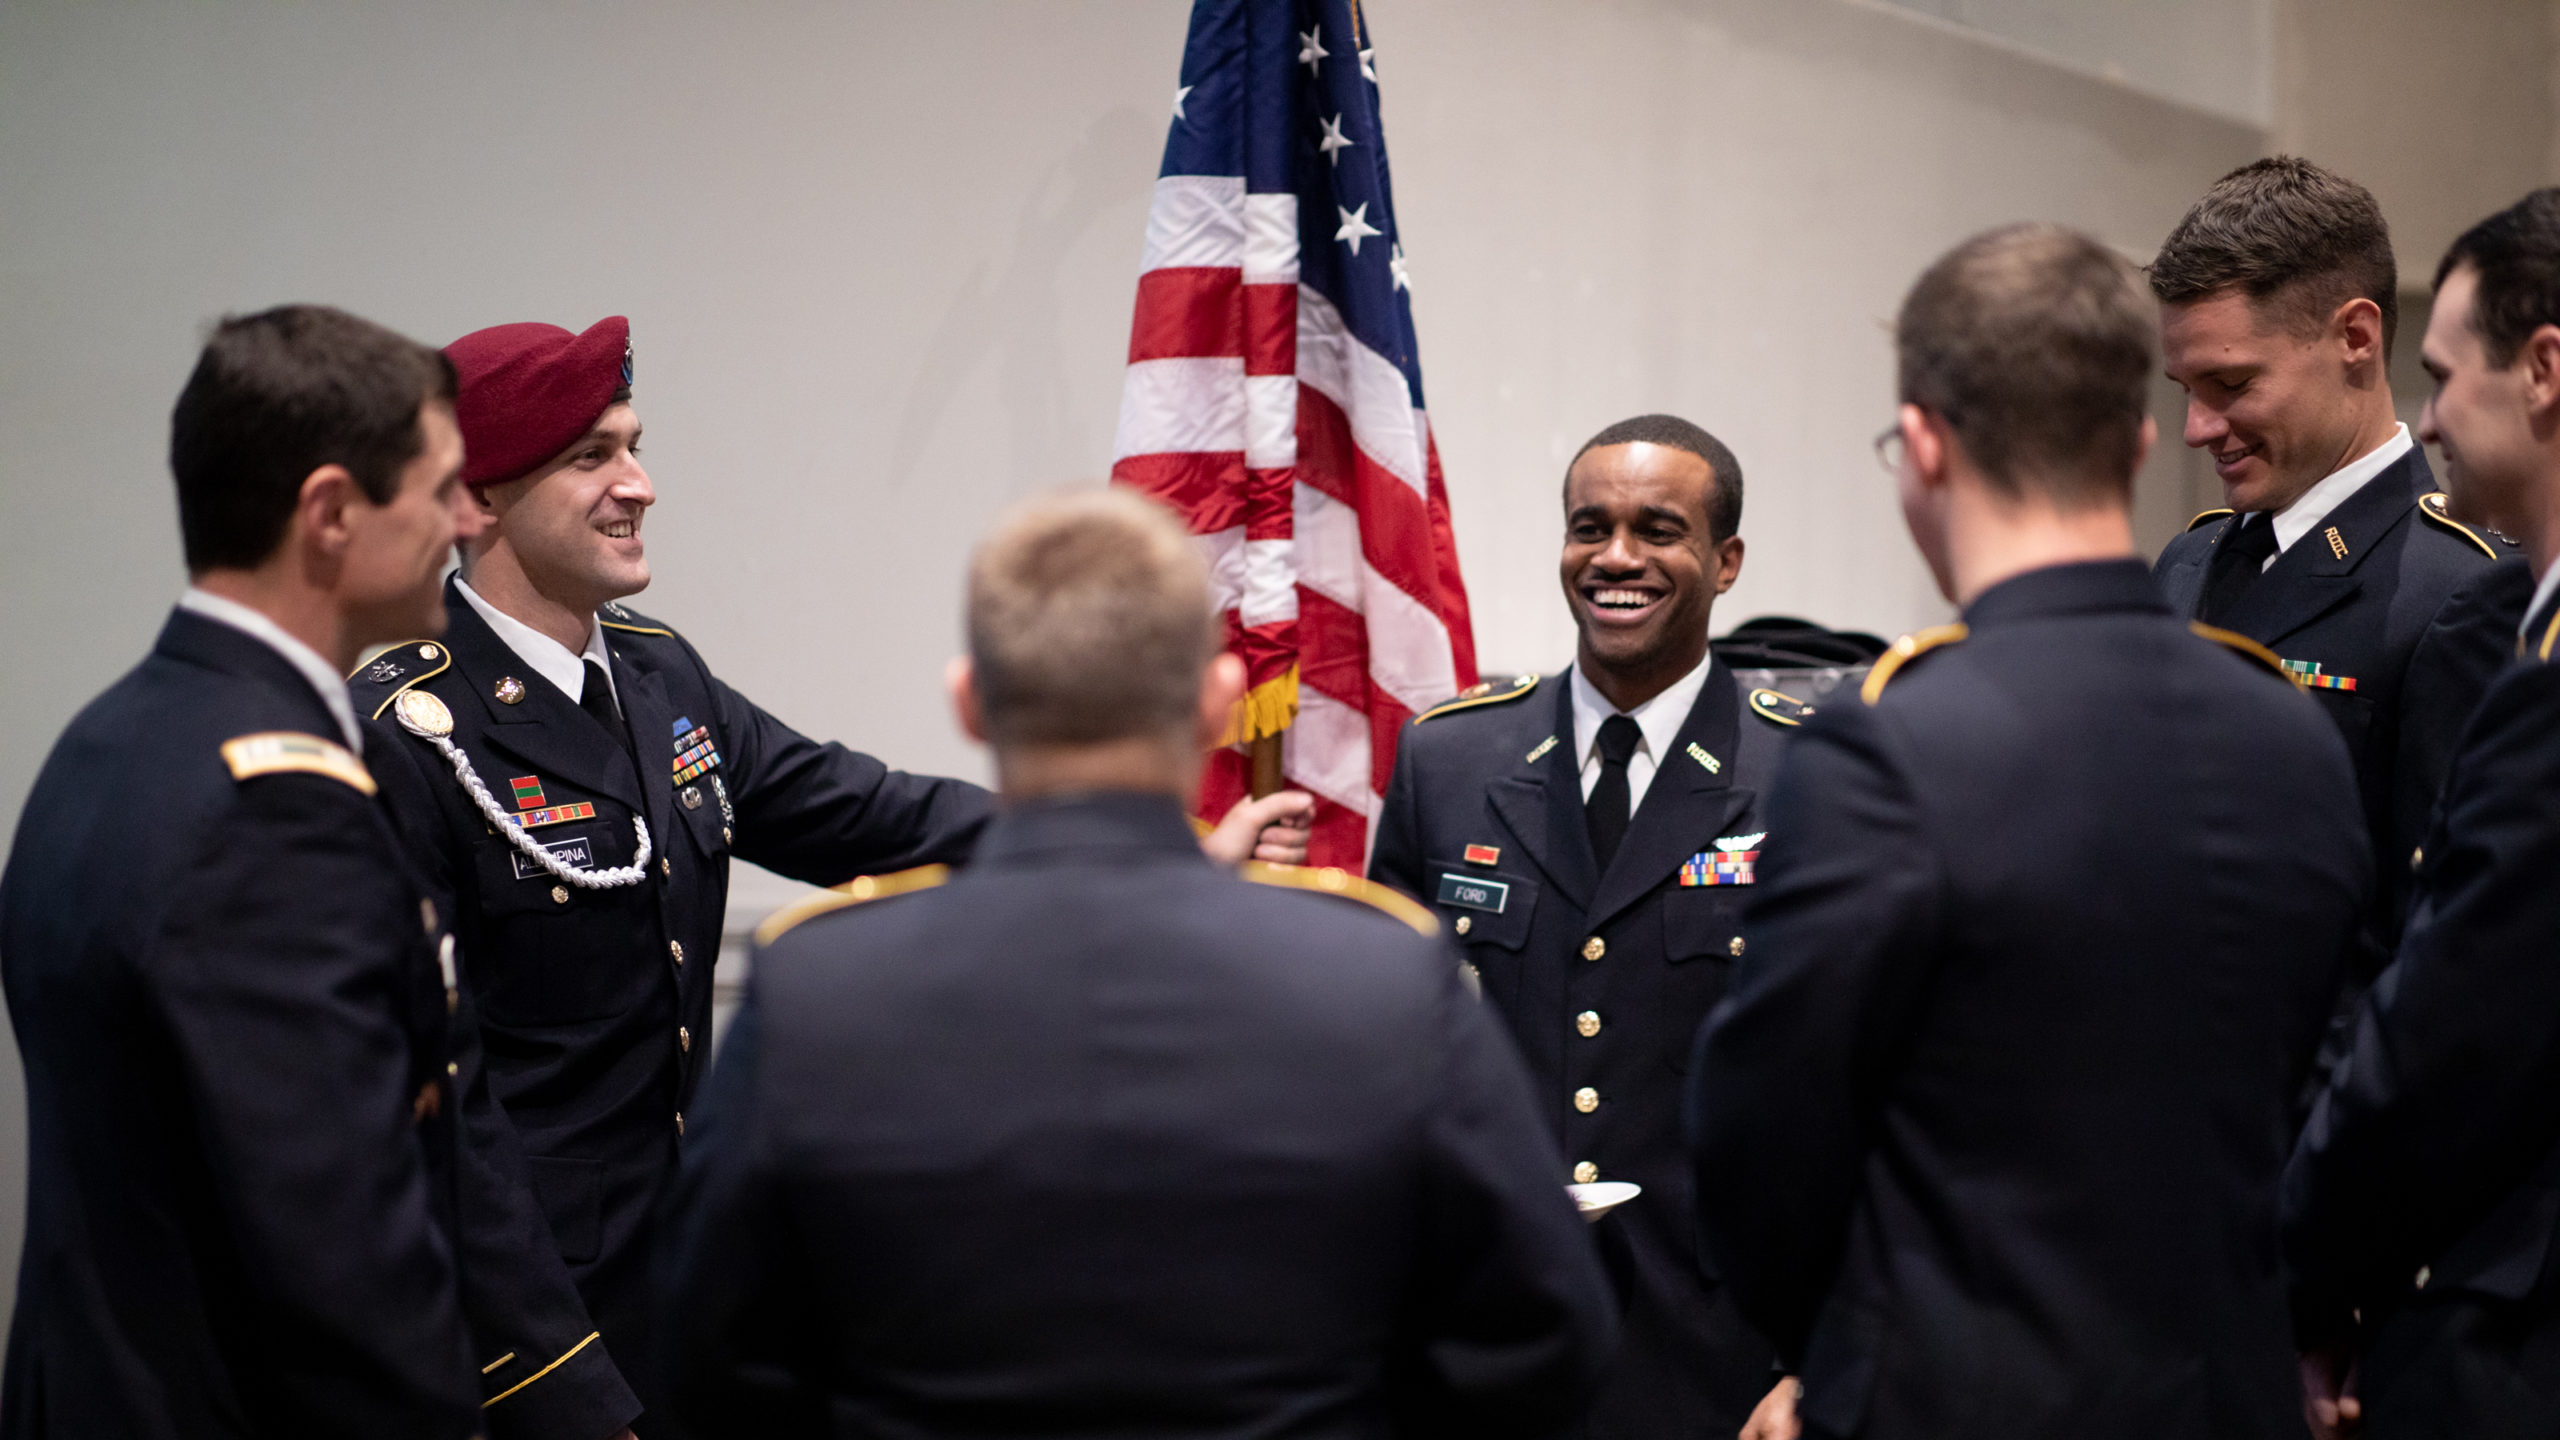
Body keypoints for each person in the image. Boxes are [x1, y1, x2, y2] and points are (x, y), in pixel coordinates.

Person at [354, 316, 1311, 1431]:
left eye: (633, 443)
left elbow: (868, 812)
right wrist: (553, 1379)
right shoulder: (413, 734)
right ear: (477, 503)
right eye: (591, 457)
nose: (641, 484)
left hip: (675, 1291)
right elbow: (436, 1104)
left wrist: (1139, 843)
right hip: (525, 1331)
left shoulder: (659, 675)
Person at [652, 488, 1616, 1438]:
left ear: (971, 704)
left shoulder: (822, 989)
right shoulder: (1382, 976)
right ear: (1218, 705)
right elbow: (1542, 1337)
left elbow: (709, 1361)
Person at [1689, 224, 2371, 1440]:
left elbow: (1761, 1141)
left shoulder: (1886, 747)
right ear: (2138, 440)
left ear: (1925, 449)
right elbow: (2328, 1089)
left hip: (1960, 1394)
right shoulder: (2289, 734)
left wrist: (1834, 1347)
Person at [0, 305, 634, 1439]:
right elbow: (337, 1240)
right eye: (440, 488)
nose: (461, 519)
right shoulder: (278, 809)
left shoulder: (116, 736)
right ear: (332, 515)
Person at [1370, 412, 1789, 1438]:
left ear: (1724, 562)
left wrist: (1815, 1358)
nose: (1615, 558)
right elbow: (1382, 1055)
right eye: (1587, 526)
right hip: (1486, 1340)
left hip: (1717, 1354)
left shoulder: (1809, 776)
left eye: (1658, 530)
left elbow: (1864, 1082)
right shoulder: (1451, 761)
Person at [2283, 187, 2560, 1440]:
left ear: (2543, 370)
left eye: (2444, 376)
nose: (2431, 416)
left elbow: (2450, 1030)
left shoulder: (2529, 669)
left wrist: (2301, 1275)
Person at [2150, 157, 2527, 952]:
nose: (2198, 429)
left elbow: (2443, 942)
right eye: (2187, 389)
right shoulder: (2186, 564)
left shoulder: (2457, 592)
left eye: (2231, 383)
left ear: (2355, 337)